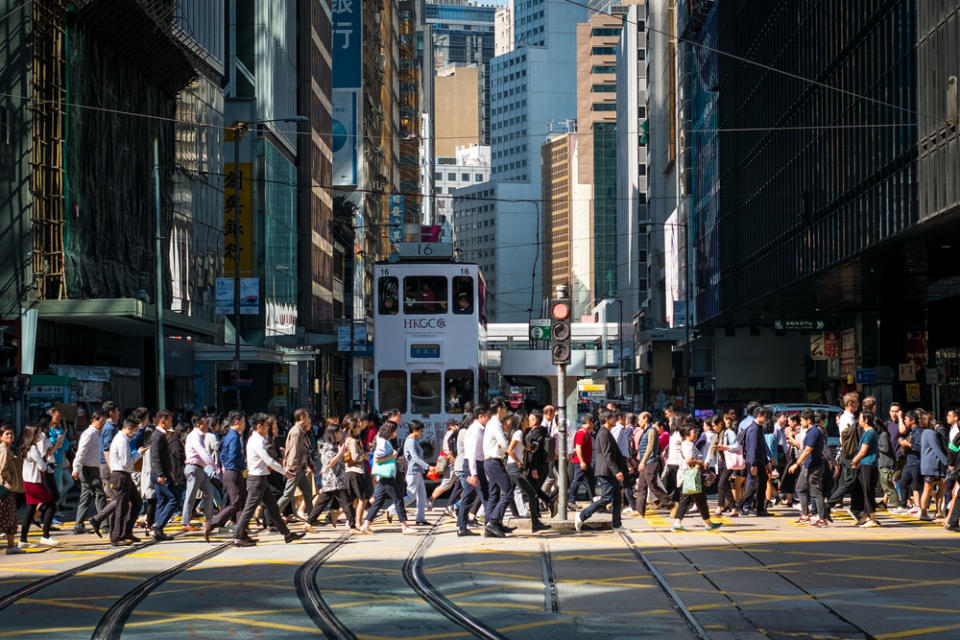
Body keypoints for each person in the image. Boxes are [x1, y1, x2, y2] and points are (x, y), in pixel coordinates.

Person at [233, 413, 305, 547]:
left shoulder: (255, 439)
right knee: (249, 509)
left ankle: (287, 534)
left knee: (273, 508)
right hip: (257, 480)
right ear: (259, 426)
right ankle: (238, 536)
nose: (268, 428)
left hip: (261, 479)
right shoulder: (257, 441)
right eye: (266, 425)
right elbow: (268, 460)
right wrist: (285, 472)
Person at [575, 410, 628, 533]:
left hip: (608, 471)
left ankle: (617, 525)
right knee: (606, 498)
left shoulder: (605, 433)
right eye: (613, 418)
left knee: (616, 498)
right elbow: (607, 455)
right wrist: (616, 471)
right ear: (607, 419)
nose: (616, 420)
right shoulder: (603, 434)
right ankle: (582, 515)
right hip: (606, 471)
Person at [359, 420, 413, 535]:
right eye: (396, 430)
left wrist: (396, 458)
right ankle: (404, 526)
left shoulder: (383, 440)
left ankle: (366, 524)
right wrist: (393, 456)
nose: (397, 432)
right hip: (385, 474)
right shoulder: (383, 442)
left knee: (378, 501)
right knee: (398, 499)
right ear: (391, 431)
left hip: (385, 475)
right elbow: (378, 459)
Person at [203, 412, 246, 541]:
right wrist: (239, 466)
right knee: (236, 503)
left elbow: (221, 452)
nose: (244, 425)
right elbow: (232, 455)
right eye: (243, 422)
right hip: (233, 472)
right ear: (237, 423)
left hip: (230, 471)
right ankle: (211, 524)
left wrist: (225, 466)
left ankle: (242, 534)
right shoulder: (234, 437)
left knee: (241, 503)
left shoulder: (227, 436)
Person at [671, 423, 722, 532]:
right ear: (687, 434)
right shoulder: (688, 445)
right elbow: (689, 460)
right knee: (700, 500)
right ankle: (708, 524)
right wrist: (701, 462)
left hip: (688, 477)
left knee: (687, 500)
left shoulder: (687, 444)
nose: (696, 433)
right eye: (693, 432)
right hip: (691, 477)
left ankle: (678, 523)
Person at [305, 422, 356, 531]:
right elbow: (330, 463)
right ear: (334, 433)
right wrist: (341, 453)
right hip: (334, 480)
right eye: (339, 432)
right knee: (347, 503)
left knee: (321, 504)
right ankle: (352, 526)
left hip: (333, 480)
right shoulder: (328, 446)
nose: (341, 433)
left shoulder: (334, 445)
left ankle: (309, 522)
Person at [107, 418, 150, 545]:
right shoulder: (122, 440)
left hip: (125, 475)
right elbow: (127, 461)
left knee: (137, 502)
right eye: (136, 430)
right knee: (121, 507)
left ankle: (127, 531)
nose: (136, 433)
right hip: (120, 475)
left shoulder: (124, 439)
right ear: (129, 428)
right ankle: (116, 537)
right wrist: (139, 453)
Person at [505, 413, 550, 532]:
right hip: (514, 468)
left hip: (513, 468)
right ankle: (535, 523)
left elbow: (521, 448)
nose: (528, 422)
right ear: (521, 421)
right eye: (526, 419)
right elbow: (509, 450)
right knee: (532, 493)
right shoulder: (519, 433)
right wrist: (518, 462)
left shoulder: (522, 433)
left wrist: (528, 448)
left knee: (507, 495)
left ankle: (494, 520)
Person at [20, 425, 59, 547]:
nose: (39, 436)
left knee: (30, 510)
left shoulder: (25, 448)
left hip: (28, 482)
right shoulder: (33, 448)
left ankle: (23, 540)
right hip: (35, 482)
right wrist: (48, 468)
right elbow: (41, 466)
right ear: (32, 435)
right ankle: (45, 535)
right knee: (51, 504)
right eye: (37, 434)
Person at [790, 409, 828, 527]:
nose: (800, 423)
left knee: (815, 492)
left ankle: (822, 519)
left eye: (801, 420)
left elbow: (808, 450)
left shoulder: (814, 432)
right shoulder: (811, 431)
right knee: (800, 488)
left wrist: (797, 463)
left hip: (814, 466)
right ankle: (805, 515)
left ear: (808, 420)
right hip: (808, 465)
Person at [72, 410, 107, 533]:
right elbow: (81, 452)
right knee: (100, 494)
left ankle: (79, 525)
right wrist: (75, 469)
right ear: (94, 420)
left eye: (104, 422)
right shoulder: (89, 434)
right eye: (101, 422)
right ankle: (104, 523)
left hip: (93, 468)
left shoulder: (97, 433)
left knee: (86, 497)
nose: (102, 424)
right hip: (87, 469)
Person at [459, 405, 491, 537]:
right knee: (486, 496)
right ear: (480, 416)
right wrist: (474, 473)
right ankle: (491, 525)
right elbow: (471, 453)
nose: (489, 419)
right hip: (474, 466)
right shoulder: (475, 431)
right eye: (488, 416)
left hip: (475, 465)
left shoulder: (480, 429)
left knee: (468, 497)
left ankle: (462, 527)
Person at [276, 408, 315, 520]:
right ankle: (272, 515)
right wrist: (292, 468)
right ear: (302, 418)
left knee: (308, 492)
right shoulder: (297, 432)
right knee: (287, 495)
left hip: (300, 468)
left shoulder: (300, 431)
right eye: (307, 417)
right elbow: (294, 451)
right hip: (295, 468)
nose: (309, 419)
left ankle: (312, 518)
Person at [634, 412, 674, 517]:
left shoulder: (651, 431)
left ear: (646, 419)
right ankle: (640, 510)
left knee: (653, 487)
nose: (638, 422)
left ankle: (672, 505)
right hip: (645, 462)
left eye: (640, 419)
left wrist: (642, 462)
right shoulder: (646, 431)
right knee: (642, 487)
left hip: (650, 462)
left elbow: (650, 447)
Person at [181, 416, 217, 531]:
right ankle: (185, 523)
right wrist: (213, 465)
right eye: (205, 423)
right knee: (191, 496)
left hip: (200, 469)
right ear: (198, 425)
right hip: (194, 468)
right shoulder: (195, 436)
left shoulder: (199, 435)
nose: (207, 426)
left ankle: (209, 520)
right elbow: (202, 451)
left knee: (209, 492)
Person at [737, 407, 774, 516]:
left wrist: (767, 462)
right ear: (759, 415)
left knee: (761, 483)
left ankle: (760, 508)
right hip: (754, 462)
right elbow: (752, 448)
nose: (766, 419)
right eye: (765, 416)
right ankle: (740, 504)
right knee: (755, 485)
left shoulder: (758, 428)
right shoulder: (753, 429)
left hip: (759, 461)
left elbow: (761, 447)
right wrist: (753, 464)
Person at [150, 410, 180, 541]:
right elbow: (155, 457)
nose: (171, 424)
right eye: (170, 421)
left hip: (162, 473)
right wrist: (160, 474)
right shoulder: (158, 436)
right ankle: (158, 525)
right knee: (174, 499)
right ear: (163, 421)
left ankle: (157, 529)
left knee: (162, 500)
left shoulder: (160, 435)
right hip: (160, 475)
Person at [850, 411, 880, 527]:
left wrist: (854, 461)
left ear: (866, 419)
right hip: (866, 464)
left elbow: (863, 451)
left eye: (860, 418)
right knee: (862, 490)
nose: (859, 420)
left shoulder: (869, 433)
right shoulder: (869, 432)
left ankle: (872, 518)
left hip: (868, 465)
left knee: (868, 491)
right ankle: (865, 516)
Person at [0, 425, 25, 554]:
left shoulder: (8, 449)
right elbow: (2, 469)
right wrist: (10, 480)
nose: (10, 436)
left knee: (10, 518)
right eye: (7, 434)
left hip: (9, 488)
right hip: (5, 488)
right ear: (1, 437)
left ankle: (11, 546)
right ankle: (10, 546)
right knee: (8, 518)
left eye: (11, 434)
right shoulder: (3, 450)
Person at [919, 413, 948, 521]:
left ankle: (939, 511)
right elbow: (937, 449)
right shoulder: (930, 433)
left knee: (942, 487)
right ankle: (923, 512)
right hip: (931, 466)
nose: (934, 421)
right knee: (927, 489)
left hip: (932, 465)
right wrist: (947, 462)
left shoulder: (926, 433)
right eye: (932, 419)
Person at [400, 420, 430, 526]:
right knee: (411, 496)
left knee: (422, 495)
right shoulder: (411, 441)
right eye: (420, 431)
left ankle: (420, 518)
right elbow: (415, 457)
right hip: (413, 471)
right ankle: (392, 509)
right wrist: (427, 467)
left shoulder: (414, 440)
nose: (422, 433)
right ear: (414, 430)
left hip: (417, 471)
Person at [714, 412, 742, 517]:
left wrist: (724, 447)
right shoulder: (718, 434)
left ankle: (719, 507)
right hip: (721, 463)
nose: (728, 422)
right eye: (726, 419)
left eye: (729, 419)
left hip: (728, 463)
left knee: (721, 485)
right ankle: (733, 508)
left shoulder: (728, 432)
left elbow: (736, 446)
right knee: (725, 486)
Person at [568, 415, 596, 509]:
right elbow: (578, 447)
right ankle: (570, 500)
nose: (593, 424)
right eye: (592, 422)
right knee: (577, 480)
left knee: (590, 481)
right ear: (588, 422)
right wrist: (582, 461)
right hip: (581, 462)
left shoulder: (586, 432)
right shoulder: (581, 433)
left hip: (585, 461)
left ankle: (593, 500)